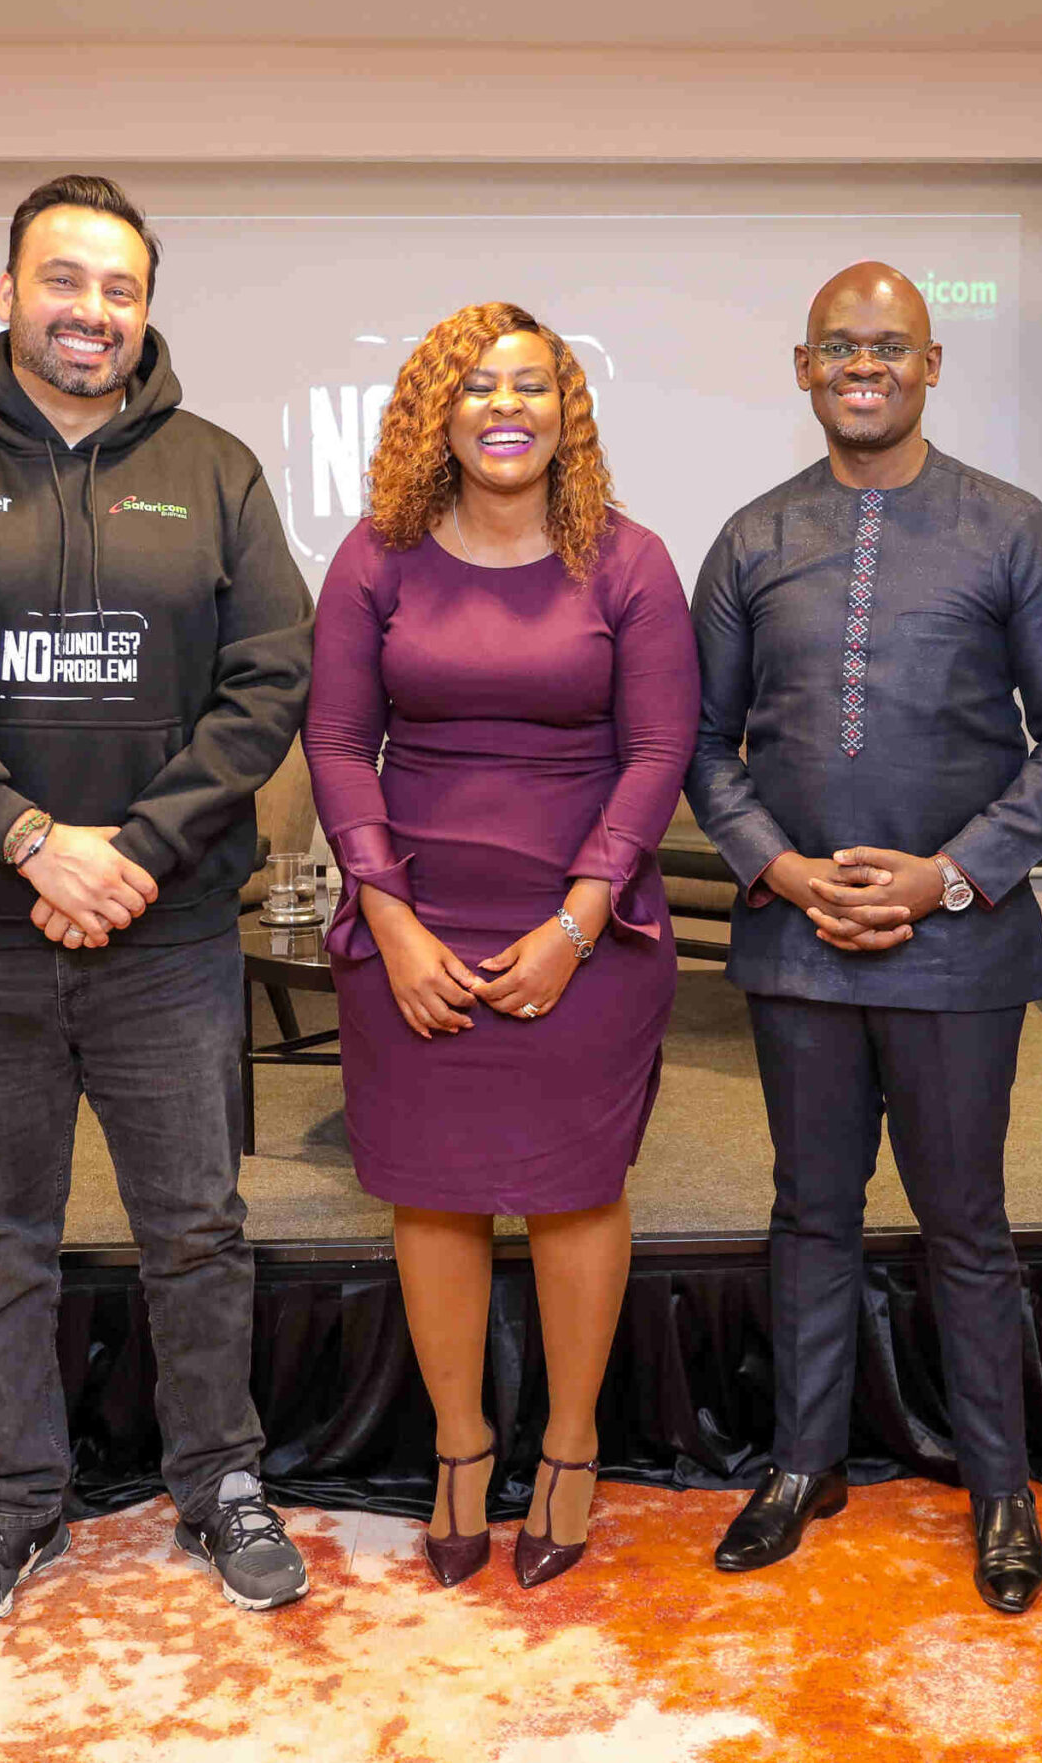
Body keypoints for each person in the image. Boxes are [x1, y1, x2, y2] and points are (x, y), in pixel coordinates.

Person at [0, 175, 315, 1633]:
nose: (92, 311)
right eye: (64, 280)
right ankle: (13, 1506)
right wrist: (31, 839)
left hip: (167, 938)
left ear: (148, 307)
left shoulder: (215, 471)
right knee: (1, 1238)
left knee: (197, 1231)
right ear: (8, 291)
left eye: (120, 288)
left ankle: (221, 1484)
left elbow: (271, 680)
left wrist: (133, 851)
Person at [686, 263, 1042, 1608]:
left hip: (958, 946)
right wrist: (784, 871)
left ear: (931, 364)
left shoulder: (1007, 527)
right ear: (802, 369)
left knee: (966, 1220)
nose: (861, 366)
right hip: (798, 943)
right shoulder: (751, 538)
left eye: (888, 346)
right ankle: (804, 1461)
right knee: (809, 1211)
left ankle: (1000, 1485)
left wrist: (947, 878)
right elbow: (700, 745)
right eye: (836, 347)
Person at [302, 302, 698, 1591]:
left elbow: (656, 753)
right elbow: (335, 744)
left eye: (532, 383)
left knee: (576, 1188)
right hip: (415, 922)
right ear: (437, 410)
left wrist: (578, 923)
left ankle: (573, 1448)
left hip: (586, 929)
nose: (506, 404)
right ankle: (462, 1449)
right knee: (435, 1189)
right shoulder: (377, 557)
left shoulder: (630, 563)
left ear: (568, 410)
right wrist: (393, 919)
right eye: (475, 385)